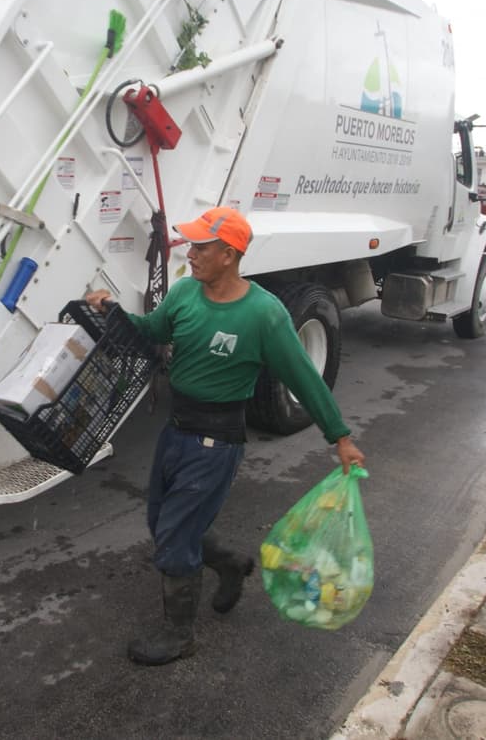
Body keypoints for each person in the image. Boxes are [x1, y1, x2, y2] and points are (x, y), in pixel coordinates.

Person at [85, 206, 365, 667]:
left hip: (216, 443)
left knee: (174, 539)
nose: (190, 254)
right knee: (162, 525)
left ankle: (180, 636)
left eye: (201, 247)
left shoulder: (263, 314)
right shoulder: (184, 295)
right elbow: (151, 334)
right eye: (191, 245)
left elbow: (304, 377)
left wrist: (340, 437)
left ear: (230, 255)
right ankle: (230, 565)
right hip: (175, 433)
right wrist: (110, 312)